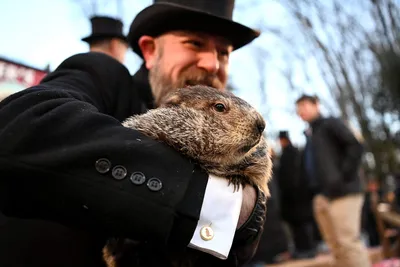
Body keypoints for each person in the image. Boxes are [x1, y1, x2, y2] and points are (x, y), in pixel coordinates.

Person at [0, 0, 267, 266]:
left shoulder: (237, 134)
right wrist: (214, 201)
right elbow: (18, 127)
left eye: (224, 53)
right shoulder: (104, 77)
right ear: (150, 51)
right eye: (194, 43)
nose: (212, 63)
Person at [295, 94, 371, 267]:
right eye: (298, 108)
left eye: (305, 105)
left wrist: (341, 179)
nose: (301, 111)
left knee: (348, 244)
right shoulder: (310, 134)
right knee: (335, 247)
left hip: (343, 193)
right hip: (321, 196)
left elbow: (355, 145)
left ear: (316, 105)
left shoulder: (330, 123)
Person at [276, 130, 317, 259]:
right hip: (293, 198)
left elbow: (292, 177)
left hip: (296, 198)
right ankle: (302, 248)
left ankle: (308, 249)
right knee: (297, 225)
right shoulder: (290, 153)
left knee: (302, 225)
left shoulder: (291, 154)